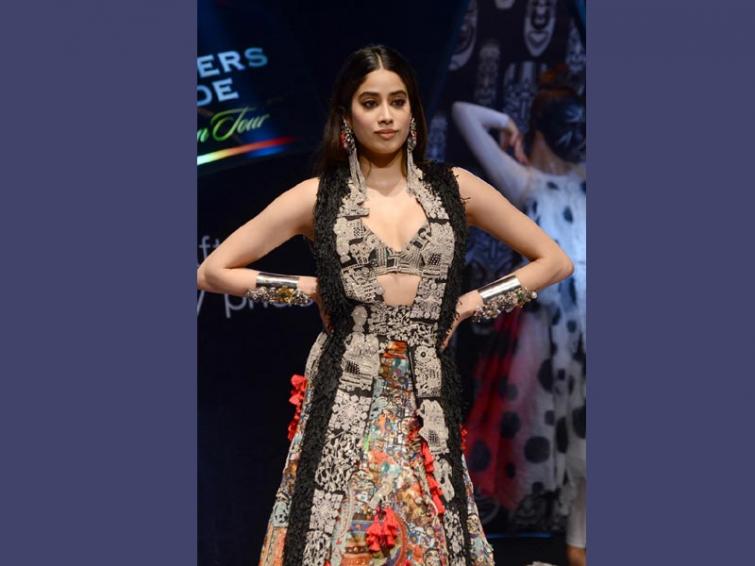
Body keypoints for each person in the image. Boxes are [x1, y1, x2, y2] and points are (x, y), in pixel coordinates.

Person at [197, 45, 573, 566]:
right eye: (370, 102)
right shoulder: (319, 196)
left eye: (397, 101)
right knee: (339, 541)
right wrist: (311, 288)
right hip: (345, 393)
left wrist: (470, 303)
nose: (386, 115)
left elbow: (554, 261)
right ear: (347, 114)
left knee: (431, 540)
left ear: (413, 111)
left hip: (426, 395)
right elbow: (213, 271)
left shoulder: (453, 189)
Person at [452, 64, 586, 566]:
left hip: (586, 327)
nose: (579, 137)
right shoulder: (524, 181)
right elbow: (463, 113)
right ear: (546, 129)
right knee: (531, 423)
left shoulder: (584, 179)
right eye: (568, 125)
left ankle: (576, 537)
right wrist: (506, 123)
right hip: (540, 326)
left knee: (582, 430)